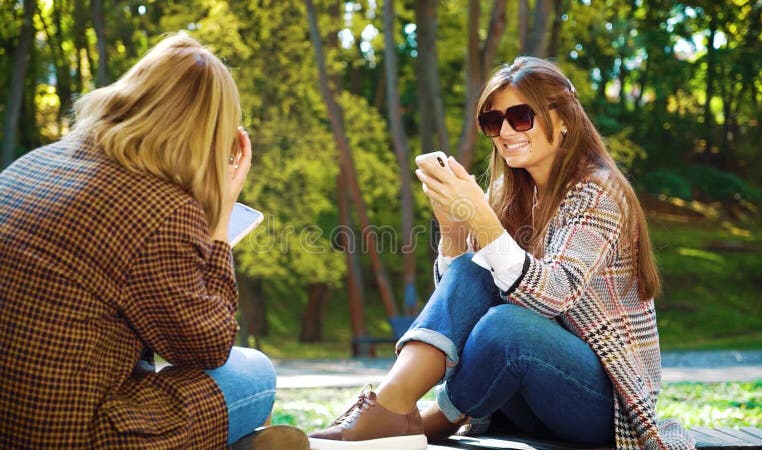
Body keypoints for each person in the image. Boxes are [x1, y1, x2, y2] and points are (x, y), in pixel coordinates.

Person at [308, 57, 694, 450]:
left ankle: (409, 417)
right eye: (493, 122)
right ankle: (393, 407)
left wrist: (480, 215)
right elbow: (460, 301)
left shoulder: (598, 193)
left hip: (605, 408)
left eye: (521, 117)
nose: (505, 132)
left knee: (507, 324)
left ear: (563, 119)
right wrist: (454, 227)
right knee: (476, 276)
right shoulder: (511, 196)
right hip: (521, 396)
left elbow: (555, 293)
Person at [0, 33, 308, 450]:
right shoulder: (161, 209)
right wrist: (218, 224)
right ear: (211, 134)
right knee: (254, 371)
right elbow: (207, 348)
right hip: (73, 434)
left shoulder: (34, 163)